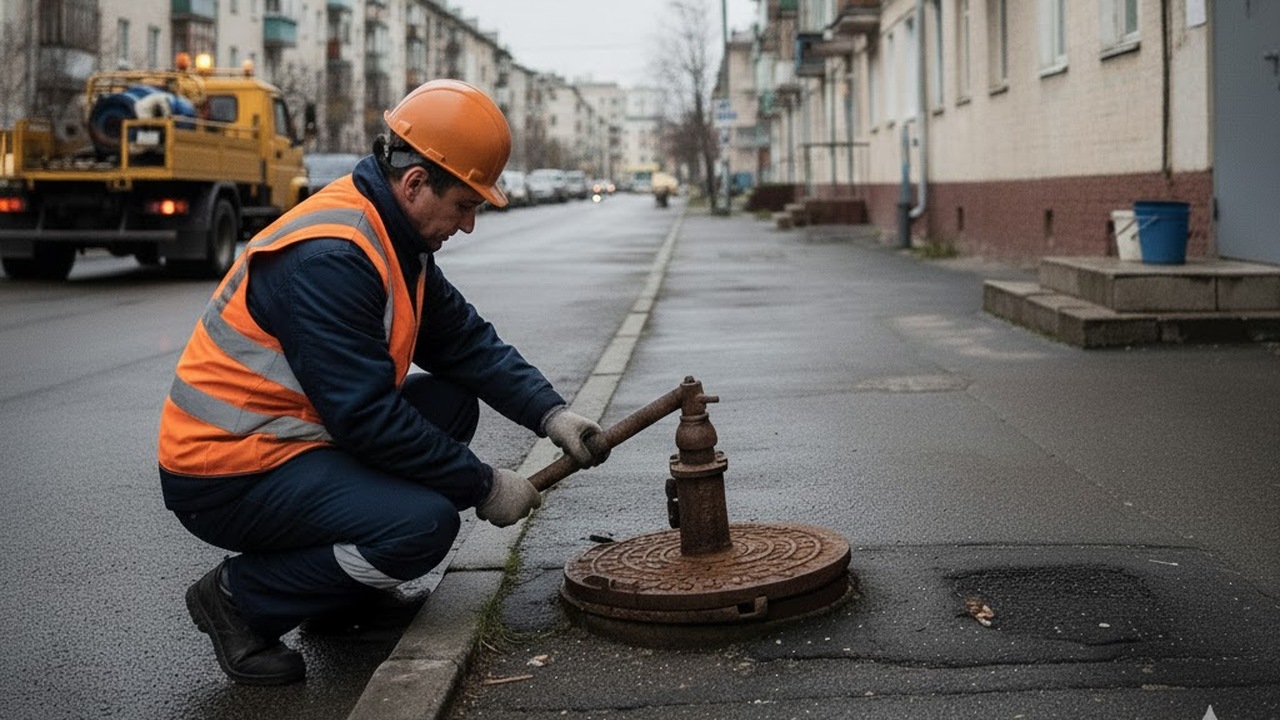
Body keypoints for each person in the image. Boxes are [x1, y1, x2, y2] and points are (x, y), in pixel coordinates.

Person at [156, 79, 609, 685]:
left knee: (448, 404)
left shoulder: (396, 235)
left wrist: (553, 415)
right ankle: (240, 600)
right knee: (420, 526)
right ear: (416, 183)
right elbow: (366, 418)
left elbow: (465, 343)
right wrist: (483, 484)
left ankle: (340, 601)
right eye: (465, 205)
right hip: (228, 469)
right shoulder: (333, 258)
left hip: (288, 442)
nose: (469, 225)